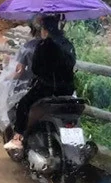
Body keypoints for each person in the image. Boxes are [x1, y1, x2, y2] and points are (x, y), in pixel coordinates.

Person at [5, 14, 78, 150]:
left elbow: (36, 69)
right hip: (68, 88)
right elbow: (72, 64)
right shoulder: (68, 44)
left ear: (45, 30)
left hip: (47, 88)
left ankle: (17, 139)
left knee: (23, 105)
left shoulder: (44, 45)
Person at [0, 19, 41, 133]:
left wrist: (7, 78)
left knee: (21, 106)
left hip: (33, 86)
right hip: (63, 89)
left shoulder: (29, 47)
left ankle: (18, 137)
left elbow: (19, 71)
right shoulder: (63, 46)